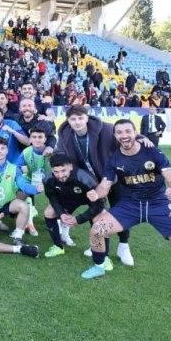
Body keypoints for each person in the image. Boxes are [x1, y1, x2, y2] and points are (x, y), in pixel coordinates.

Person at [81, 120, 171, 296]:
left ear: (135, 133)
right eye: (119, 132)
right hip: (130, 205)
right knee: (97, 230)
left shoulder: (152, 152)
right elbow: (105, 185)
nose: (124, 136)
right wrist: (96, 194)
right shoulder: (114, 160)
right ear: (115, 136)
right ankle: (99, 266)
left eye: (127, 131)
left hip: (159, 205)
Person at [55, 105, 140, 266]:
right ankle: (97, 245)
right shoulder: (65, 135)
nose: (77, 122)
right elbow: (59, 154)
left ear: (87, 118)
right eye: (73, 119)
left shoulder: (105, 129)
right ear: (68, 121)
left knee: (120, 211)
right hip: (90, 182)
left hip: (114, 178)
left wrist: (142, 138)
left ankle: (123, 246)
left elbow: (124, 136)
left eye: (80, 118)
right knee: (96, 212)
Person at [42, 154, 105, 258]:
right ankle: (58, 247)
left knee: (100, 218)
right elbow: (52, 198)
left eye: (63, 170)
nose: (60, 175)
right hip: (69, 198)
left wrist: (78, 219)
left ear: (70, 167)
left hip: (89, 198)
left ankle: (99, 251)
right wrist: (61, 213)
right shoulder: (48, 179)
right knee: (49, 212)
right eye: (56, 172)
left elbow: (99, 205)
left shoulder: (85, 178)